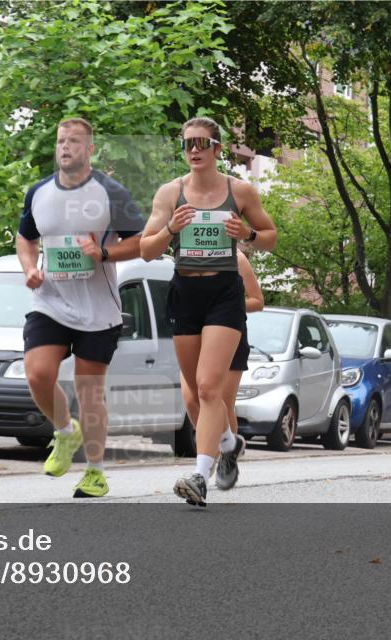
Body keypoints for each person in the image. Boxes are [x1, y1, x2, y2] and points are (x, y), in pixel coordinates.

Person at [140, 117, 276, 507]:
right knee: (195, 397)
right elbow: (146, 250)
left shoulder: (241, 191)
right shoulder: (170, 193)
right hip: (185, 291)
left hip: (224, 292)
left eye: (202, 143)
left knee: (207, 386)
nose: (194, 150)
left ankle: (200, 476)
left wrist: (246, 234)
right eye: (188, 144)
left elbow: (269, 237)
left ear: (218, 149)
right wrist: (170, 228)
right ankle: (230, 443)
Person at [17, 118, 143, 498]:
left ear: (90, 150)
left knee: (90, 392)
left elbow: (143, 242)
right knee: (38, 374)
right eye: (60, 141)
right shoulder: (39, 193)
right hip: (51, 302)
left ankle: (95, 471)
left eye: (74, 141)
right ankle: (65, 432)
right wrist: (29, 269)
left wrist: (104, 252)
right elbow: (25, 240)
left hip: (97, 310)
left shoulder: (110, 192)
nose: (65, 147)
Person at [179, 248, 265, 491]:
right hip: (194, 330)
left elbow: (257, 300)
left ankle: (219, 462)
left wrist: (224, 303)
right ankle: (224, 445)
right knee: (191, 398)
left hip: (228, 331)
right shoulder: (186, 253)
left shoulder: (236, 258)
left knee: (221, 400)